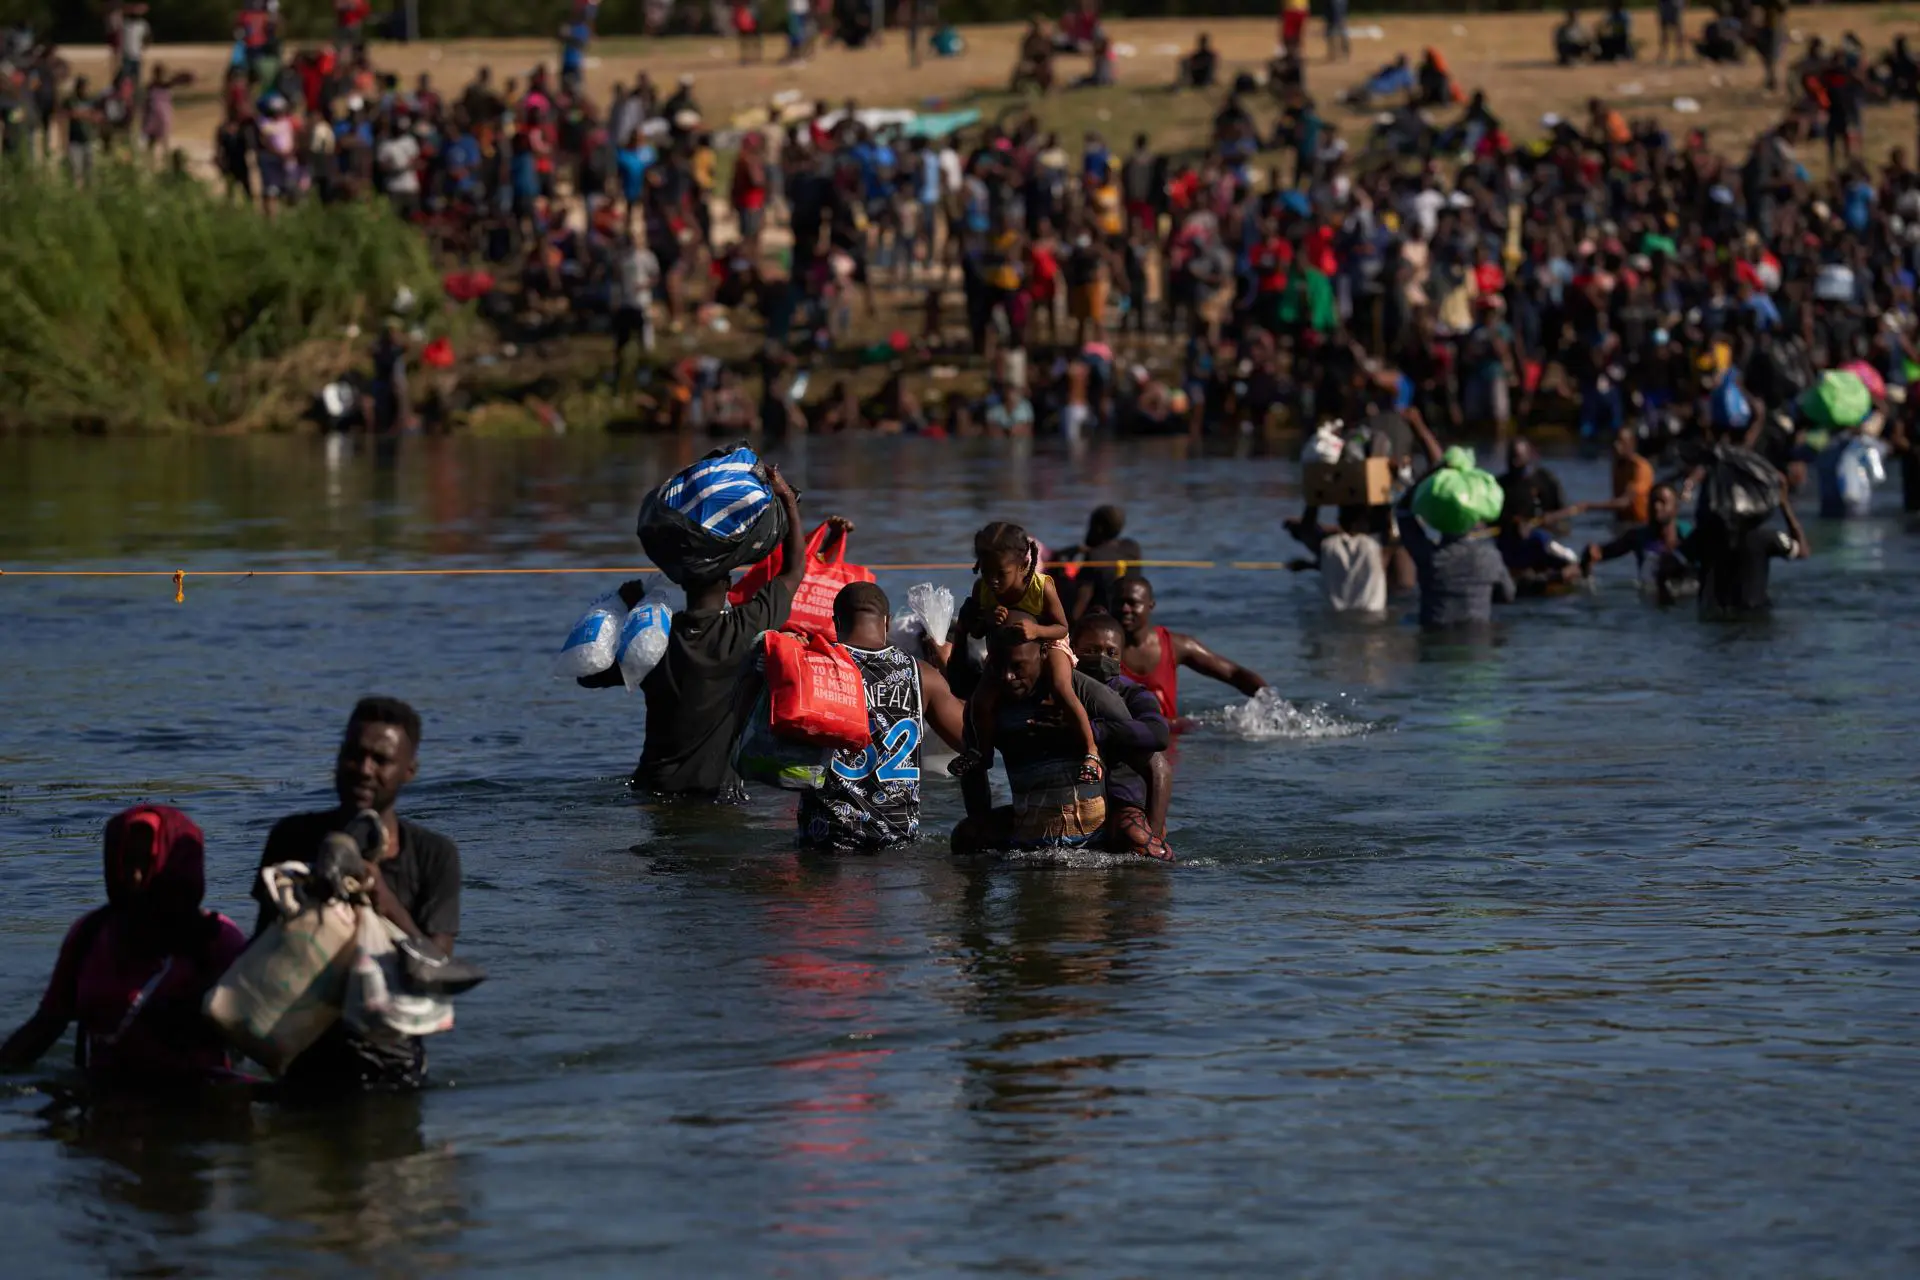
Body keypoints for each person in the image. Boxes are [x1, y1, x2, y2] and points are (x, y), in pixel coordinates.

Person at [252, 697, 461, 1097]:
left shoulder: (435, 854)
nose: (364, 770)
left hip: (391, 1063)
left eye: (380, 760)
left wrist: (382, 896)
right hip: (302, 1055)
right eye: (354, 754)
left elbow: (438, 968)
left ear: (409, 771)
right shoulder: (291, 838)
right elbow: (261, 948)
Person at [584, 469, 809, 797]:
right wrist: (788, 500)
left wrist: (623, 610)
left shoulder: (653, 640)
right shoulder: (745, 629)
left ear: (680, 583)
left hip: (653, 790)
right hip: (716, 794)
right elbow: (794, 570)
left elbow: (588, 676)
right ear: (729, 585)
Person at [1, 806, 248, 1088]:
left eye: (148, 863)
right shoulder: (90, 934)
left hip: (194, 1107)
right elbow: (46, 1025)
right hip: (106, 1099)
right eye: (126, 863)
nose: (135, 877)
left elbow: (253, 1037)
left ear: (177, 866)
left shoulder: (216, 939)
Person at [798, 582, 967, 850]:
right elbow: (973, 741)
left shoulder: (813, 667)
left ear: (835, 621)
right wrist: (947, 668)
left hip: (826, 836)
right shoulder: (922, 675)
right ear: (887, 623)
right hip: (895, 839)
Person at [948, 618, 1139, 855]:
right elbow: (974, 774)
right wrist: (981, 827)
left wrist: (1139, 821)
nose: (1008, 677)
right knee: (965, 836)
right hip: (1028, 838)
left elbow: (1147, 757)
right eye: (998, 667)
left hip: (1095, 837)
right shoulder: (985, 709)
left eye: (1018, 667)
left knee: (1137, 838)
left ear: (1044, 653)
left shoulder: (1086, 694)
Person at [943, 521, 1103, 787]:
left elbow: (1062, 627)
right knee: (980, 701)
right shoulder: (983, 590)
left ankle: (1091, 750)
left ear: (1022, 566)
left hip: (1049, 645)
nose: (993, 580)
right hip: (1004, 653)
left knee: (1062, 687)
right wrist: (988, 621)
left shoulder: (1041, 587)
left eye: (1001, 573)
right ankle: (982, 751)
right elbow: (979, 631)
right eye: (986, 572)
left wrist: (1036, 629)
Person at [1071, 613, 1174, 860]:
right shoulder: (1060, 690)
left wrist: (1095, 730)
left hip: (1121, 802)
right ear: (1072, 649)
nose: (1102, 658)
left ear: (1122, 655)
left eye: (1111, 652)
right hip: (1068, 801)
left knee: (1140, 843)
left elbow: (1158, 734)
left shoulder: (1132, 694)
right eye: (1092, 650)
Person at [1113, 575, 1268, 722]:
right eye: (1119, 603)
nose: (1125, 609)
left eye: (1132, 603)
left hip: (1168, 741)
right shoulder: (1101, 648)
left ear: (1150, 605)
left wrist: (1267, 699)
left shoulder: (1176, 645)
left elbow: (1233, 673)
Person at [1679, 477, 1810, 618]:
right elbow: (1803, 551)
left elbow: (1676, 562)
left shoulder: (1703, 536)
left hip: (1713, 618)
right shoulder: (1763, 537)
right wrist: (1784, 505)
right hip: (1754, 619)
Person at [1396, 490, 1516, 631]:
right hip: (1478, 635)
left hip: (1436, 633)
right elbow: (1508, 594)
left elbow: (1402, 513)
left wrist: (1434, 475)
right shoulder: (1490, 556)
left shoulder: (1431, 556)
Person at [1581, 481, 1695, 600]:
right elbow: (1602, 553)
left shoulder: (1688, 536)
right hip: (1649, 601)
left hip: (1684, 601)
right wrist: (1591, 554)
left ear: (1676, 508)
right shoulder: (1639, 537)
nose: (1656, 506)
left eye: (1663, 502)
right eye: (1653, 502)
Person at [1286, 504, 1389, 613]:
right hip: (1372, 616)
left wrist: (1313, 503)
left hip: (1335, 615)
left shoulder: (1327, 546)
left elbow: (1307, 533)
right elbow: (1389, 529)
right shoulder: (1375, 547)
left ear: (1339, 520)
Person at [1054, 503, 1142, 621]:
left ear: (1098, 528)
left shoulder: (1094, 556)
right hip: (1126, 613)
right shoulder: (1132, 548)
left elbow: (1077, 609)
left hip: (1104, 618)